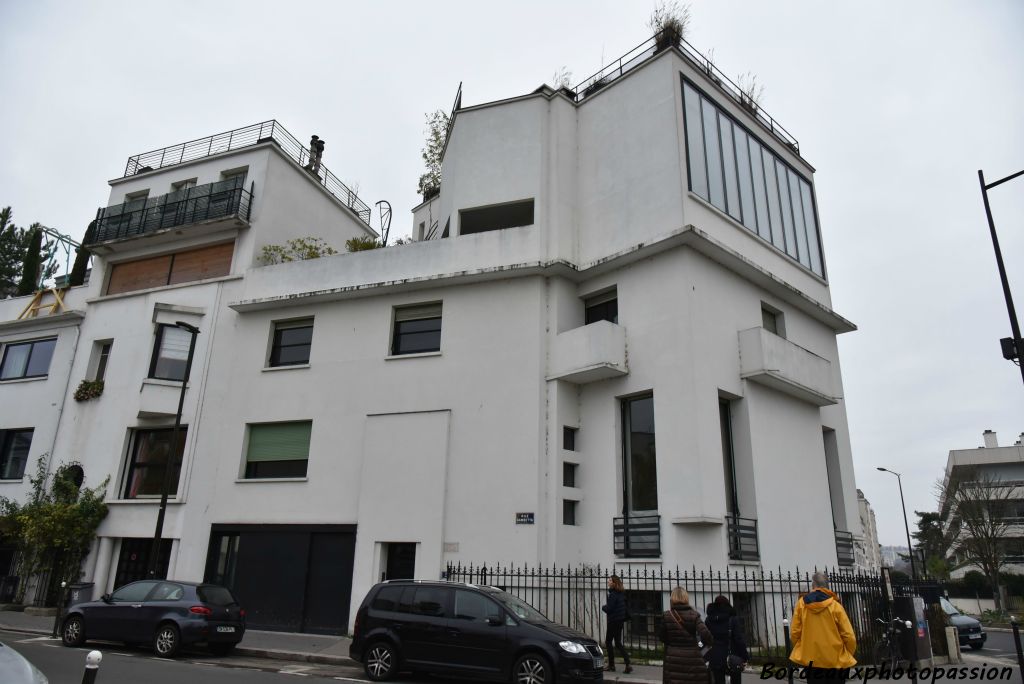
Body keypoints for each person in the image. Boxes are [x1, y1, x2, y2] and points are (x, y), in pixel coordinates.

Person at [789, 571, 857, 682]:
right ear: (827, 586)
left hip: (811, 660)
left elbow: (794, 632)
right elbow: (849, 636)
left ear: (813, 585)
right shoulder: (835, 606)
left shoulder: (801, 604)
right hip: (835, 660)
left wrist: (802, 648)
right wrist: (848, 653)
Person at [661, 587, 713, 684]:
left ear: (672, 599)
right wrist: (701, 644)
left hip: (673, 660)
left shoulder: (667, 616)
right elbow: (707, 635)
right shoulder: (694, 615)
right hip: (693, 659)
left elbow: (662, 637)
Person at [705, 595, 748, 684]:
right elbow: (738, 639)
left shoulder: (709, 620)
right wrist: (745, 657)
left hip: (715, 656)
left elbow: (706, 638)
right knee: (736, 680)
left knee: (718, 680)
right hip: (732, 657)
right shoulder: (732, 619)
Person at [601, 575, 632, 673]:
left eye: (610, 580)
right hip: (620, 621)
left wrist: (603, 607)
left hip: (614, 621)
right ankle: (628, 664)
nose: (608, 581)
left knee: (608, 642)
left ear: (614, 583)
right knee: (618, 643)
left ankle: (611, 665)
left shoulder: (613, 594)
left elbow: (609, 608)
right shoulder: (621, 594)